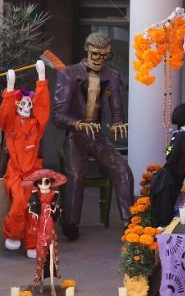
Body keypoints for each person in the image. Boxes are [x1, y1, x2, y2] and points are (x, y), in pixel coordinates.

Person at [52, 32, 135, 240]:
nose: (99, 60)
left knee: (123, 169)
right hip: (76, 136)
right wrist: (77, 124)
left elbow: (117, 111)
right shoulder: (69, 74)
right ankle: (71, 224)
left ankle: (130, 224)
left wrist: (117, 124)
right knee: (76, 175)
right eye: (95, 54)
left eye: (104, 55)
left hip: (97, 136)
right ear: (87, 50)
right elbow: (58, 116)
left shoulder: (112, 76)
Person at [0, 63, 51, 257]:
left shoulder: (36, 125)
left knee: (35, 207)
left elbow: (43, 108)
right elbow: (3, 115)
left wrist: (42, 78)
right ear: (17, 105)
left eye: (29, 104)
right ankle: (13, 234)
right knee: (19, 201)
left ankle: (32, 244)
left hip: (33, 172)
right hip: (15, 172)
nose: (27, 107)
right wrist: (10, 88)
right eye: (23, 104)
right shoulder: (11, 125)